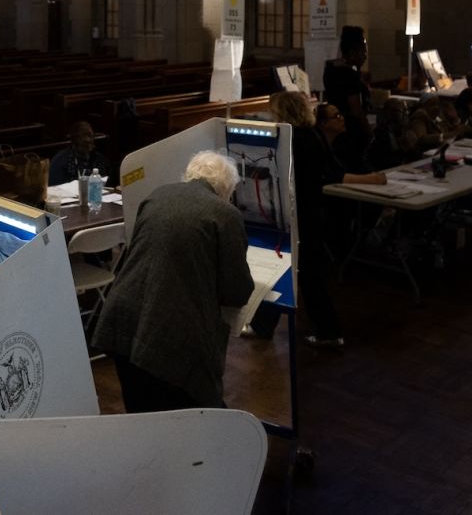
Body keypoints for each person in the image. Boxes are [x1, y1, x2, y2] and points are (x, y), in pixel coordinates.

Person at [89, 151, 254, 412]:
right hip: (170, 334)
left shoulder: (157, 195)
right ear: (226, 188)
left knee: (142, 416)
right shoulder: (225, 214)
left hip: (121, 320)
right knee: (195, 413)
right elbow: (237, 292)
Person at [270, 92, 383, 348]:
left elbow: (316, 175)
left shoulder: (293, 139)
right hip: (312, 212)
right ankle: (267, 324)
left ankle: (329, 332)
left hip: (300, 213)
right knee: (302, 274)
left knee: (305, 276)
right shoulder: (312, 134)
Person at [322, 25, 374, 170]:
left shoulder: (330, 69)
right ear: (352, 52)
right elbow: (356, 110)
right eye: (363, 50)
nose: (365, 54)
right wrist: (370, 133)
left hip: (338, 131)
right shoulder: (349, 75)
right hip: (352, 132)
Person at [48, 120, 111, 185]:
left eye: (90, 136)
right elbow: (54, 186)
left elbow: (106, 180)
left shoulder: (99, 159)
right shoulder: (61, 160)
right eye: (83, 136)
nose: (87, 140)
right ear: (74, 139)